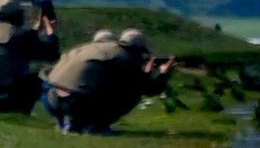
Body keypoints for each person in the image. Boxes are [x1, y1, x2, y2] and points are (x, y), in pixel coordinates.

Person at [41, 26, 174, 133]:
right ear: (138, 49)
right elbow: (148, 89)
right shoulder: (125, 57)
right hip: (78, 102)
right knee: (131, 95)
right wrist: (163, 74)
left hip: (51, 98)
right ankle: (94, 127)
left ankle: (68, 123)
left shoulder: (84, 49)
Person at [0, 0, 59, 117]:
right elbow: (51, 54)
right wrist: (49, 26)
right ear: (17, 15)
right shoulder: (20, 36)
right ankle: (19, 111)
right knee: (44, 77)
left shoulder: (18, 35)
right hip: (7, 96)